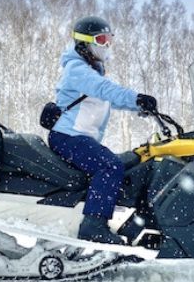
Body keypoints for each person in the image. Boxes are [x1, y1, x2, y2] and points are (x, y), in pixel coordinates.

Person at [48, 16, 159, 246]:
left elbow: (111, 100)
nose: (106, 45)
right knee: (109, 166)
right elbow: (105, 90)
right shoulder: (77, 69)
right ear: (84, 43)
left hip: (79, 138)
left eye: (109, 39)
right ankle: (93, 226)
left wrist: (139, 105)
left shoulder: (92, 71)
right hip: (68, 138)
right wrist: (136, 97)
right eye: (101, 39)